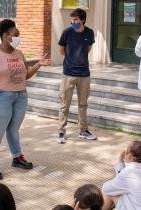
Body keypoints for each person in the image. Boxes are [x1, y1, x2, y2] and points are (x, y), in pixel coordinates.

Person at [0, 19, 51, 180]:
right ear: (6, 35)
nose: (18, 37)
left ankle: (17, 157)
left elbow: (25, 75)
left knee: (13, 129)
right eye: (16, 34)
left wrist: (38, 65)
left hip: (20, 96)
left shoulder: (18, 53)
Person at [57, 8, 96, 144]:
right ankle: (61, 132)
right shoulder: (66, 32)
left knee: (83, 104)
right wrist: (72, 58)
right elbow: (61, 50)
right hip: (68, 73)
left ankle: (83, 130)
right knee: (64, 104)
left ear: (83, 20)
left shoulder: (89, 33)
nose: (73, 22)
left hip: (84, 74)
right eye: (72, 20)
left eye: (76, 20)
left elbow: (88, 49)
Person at [102, 141, 141, 210]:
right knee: (120, 191)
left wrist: (120, 161)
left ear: (130, 157)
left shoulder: (128, 172)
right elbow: (123, 181)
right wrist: (121, 161)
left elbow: (106, 189)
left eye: (126, 150)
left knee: (109, 194)